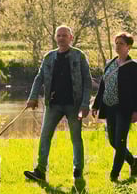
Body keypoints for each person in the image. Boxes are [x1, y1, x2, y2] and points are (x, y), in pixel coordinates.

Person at [24, 25, 92, 183]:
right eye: (59, 35)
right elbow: (39, 78)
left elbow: (87, 82)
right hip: (53, 104)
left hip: (74, 105)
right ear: (56, 38)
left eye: (64, 35)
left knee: (76, 138)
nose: (61, 38)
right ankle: (40, 171)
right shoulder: (49, 57)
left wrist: (85, 104)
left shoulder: (79, 56)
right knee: (45, 136)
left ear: (71, 37)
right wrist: (32, 97)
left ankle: (78, 169)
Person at [91, 33, 137, 182]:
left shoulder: (133, 67)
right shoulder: (110, 63)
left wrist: (136, 111)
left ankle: (114, 175)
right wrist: (96, 105)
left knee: (121, 141)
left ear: (128, 47)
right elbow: (103, 85)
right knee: (112, 141)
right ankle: (133, 161)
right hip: (109, 107)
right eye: (116, 43)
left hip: (124, 109)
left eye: (121, 43)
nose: (117, 46)